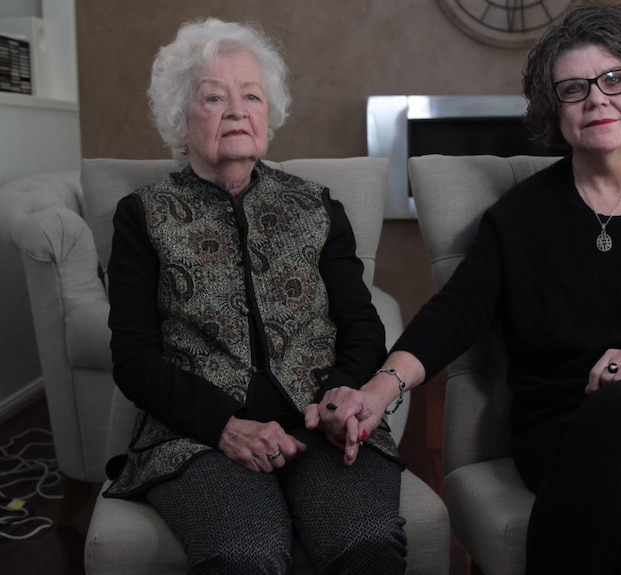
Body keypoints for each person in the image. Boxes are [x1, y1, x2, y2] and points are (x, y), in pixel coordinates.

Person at [321, 3, 621, 574]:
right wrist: (379, 389)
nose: (597, 98)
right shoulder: (524, 218)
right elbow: (455, 313)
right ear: (554, 110)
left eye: (614, 79)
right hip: (568, 426)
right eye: (573, 88)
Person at [104, 18, 406, 575]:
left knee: (364, 539)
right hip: (197, 436)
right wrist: (224, 425)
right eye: (214, 96)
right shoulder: (143, 216)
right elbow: (134, 359)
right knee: (242, 552)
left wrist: (341, 393)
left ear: (269, 113)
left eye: (252, 95)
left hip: (321, 422)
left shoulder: (316, 207)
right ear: (181, 118)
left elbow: (362, 325)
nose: (237, 110)